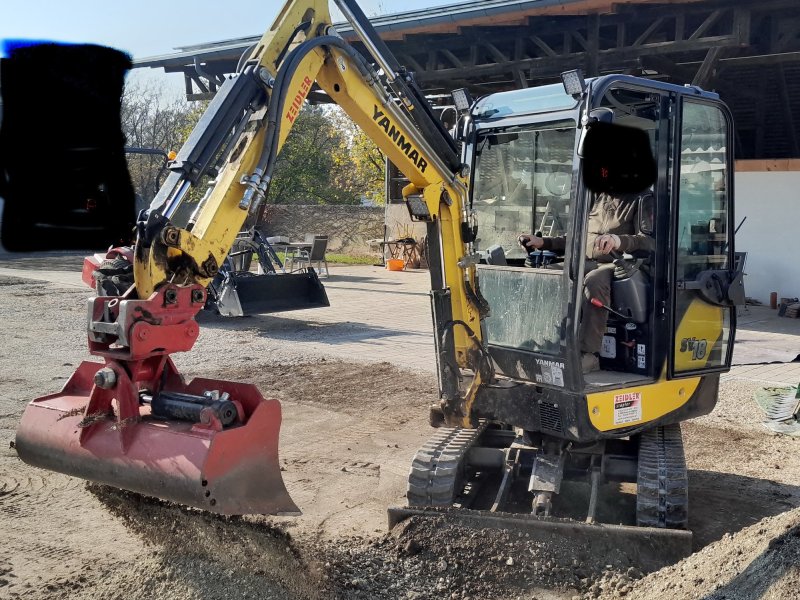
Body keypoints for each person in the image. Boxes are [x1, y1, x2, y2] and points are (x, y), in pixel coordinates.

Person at [519, 191, 654, 373]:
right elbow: (576, 238)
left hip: (617, 264)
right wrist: (543, 242)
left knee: (594, 282)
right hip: (584, 261)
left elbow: (648, 241)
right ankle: (545, 343)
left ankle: (589, 355)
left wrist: (617, 241)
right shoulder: (598, 199)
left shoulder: (642, 199)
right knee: (546, 276)